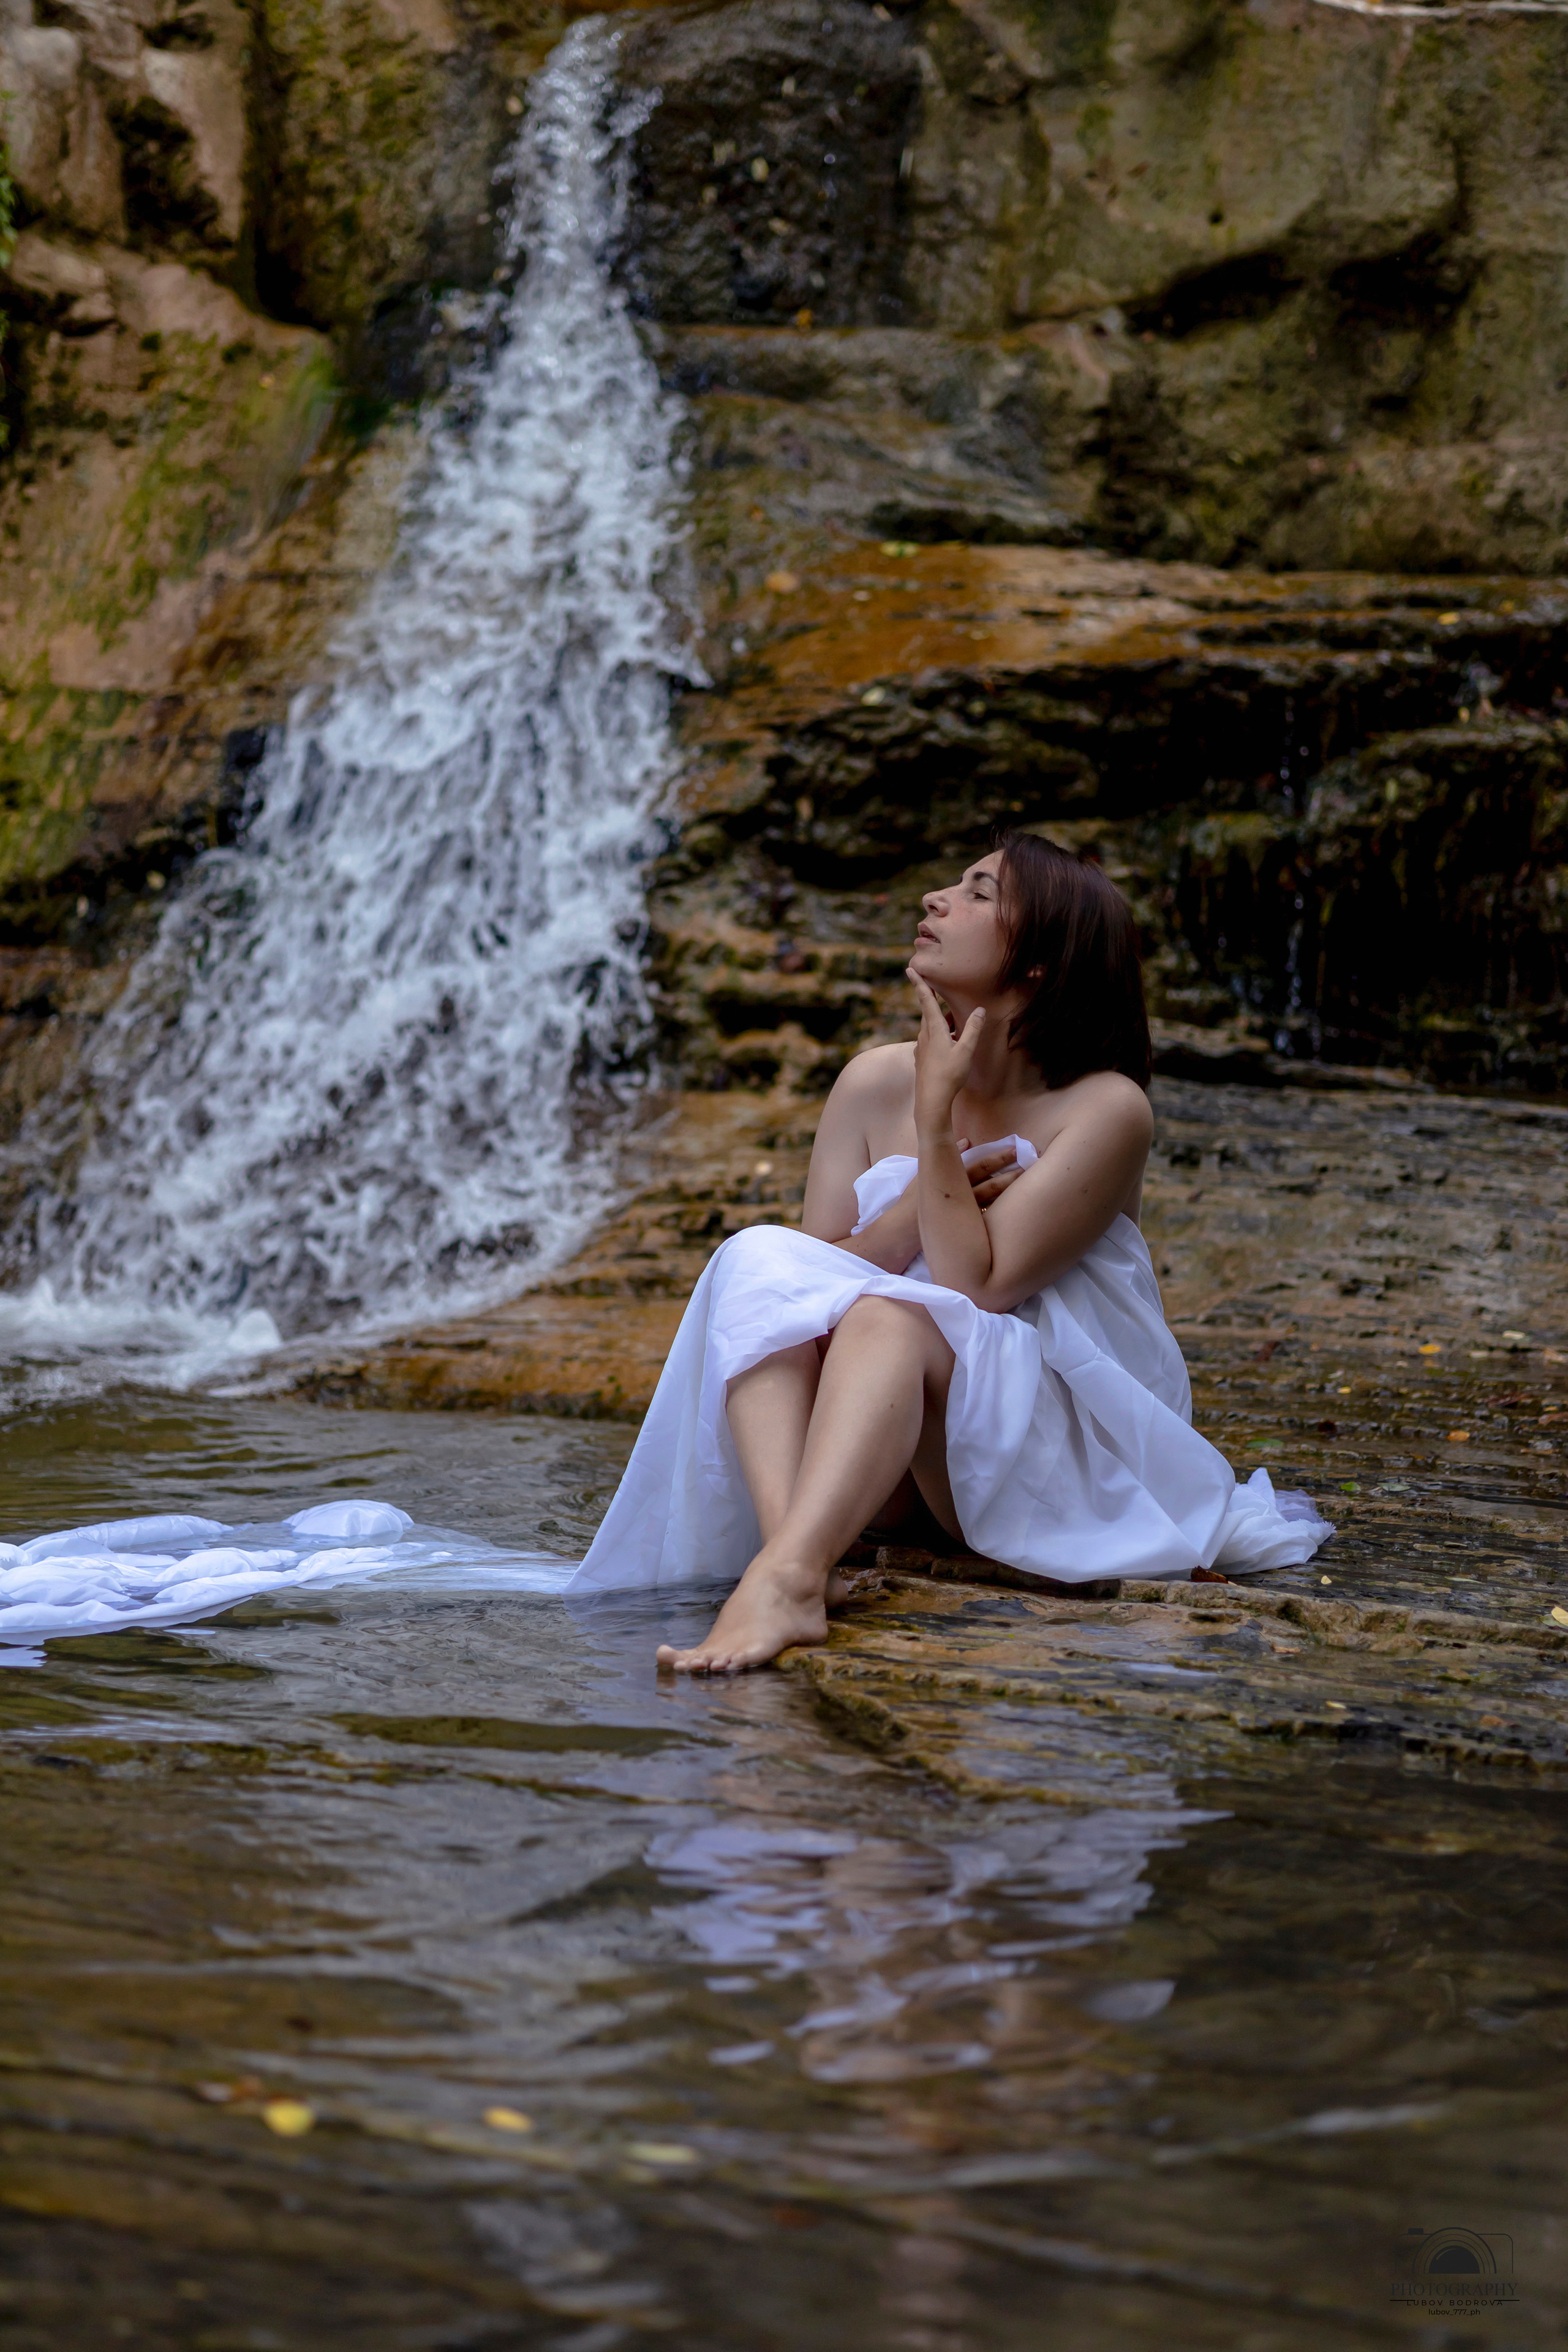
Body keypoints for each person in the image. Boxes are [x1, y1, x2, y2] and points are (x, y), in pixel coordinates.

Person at [565, 832, 1332, 1667]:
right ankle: (794, 1556)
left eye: (977, 893)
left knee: (889, 1318)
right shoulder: (871, 1081)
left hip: (1044, 1456)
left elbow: (980, 1287)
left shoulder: (1106, 1111)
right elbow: (794, 1295)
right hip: (885, 1458)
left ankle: (783, 1576)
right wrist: (899, 1225)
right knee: (757, 1256)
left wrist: (935, 1124)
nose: (937, 900)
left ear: (1040, 962)